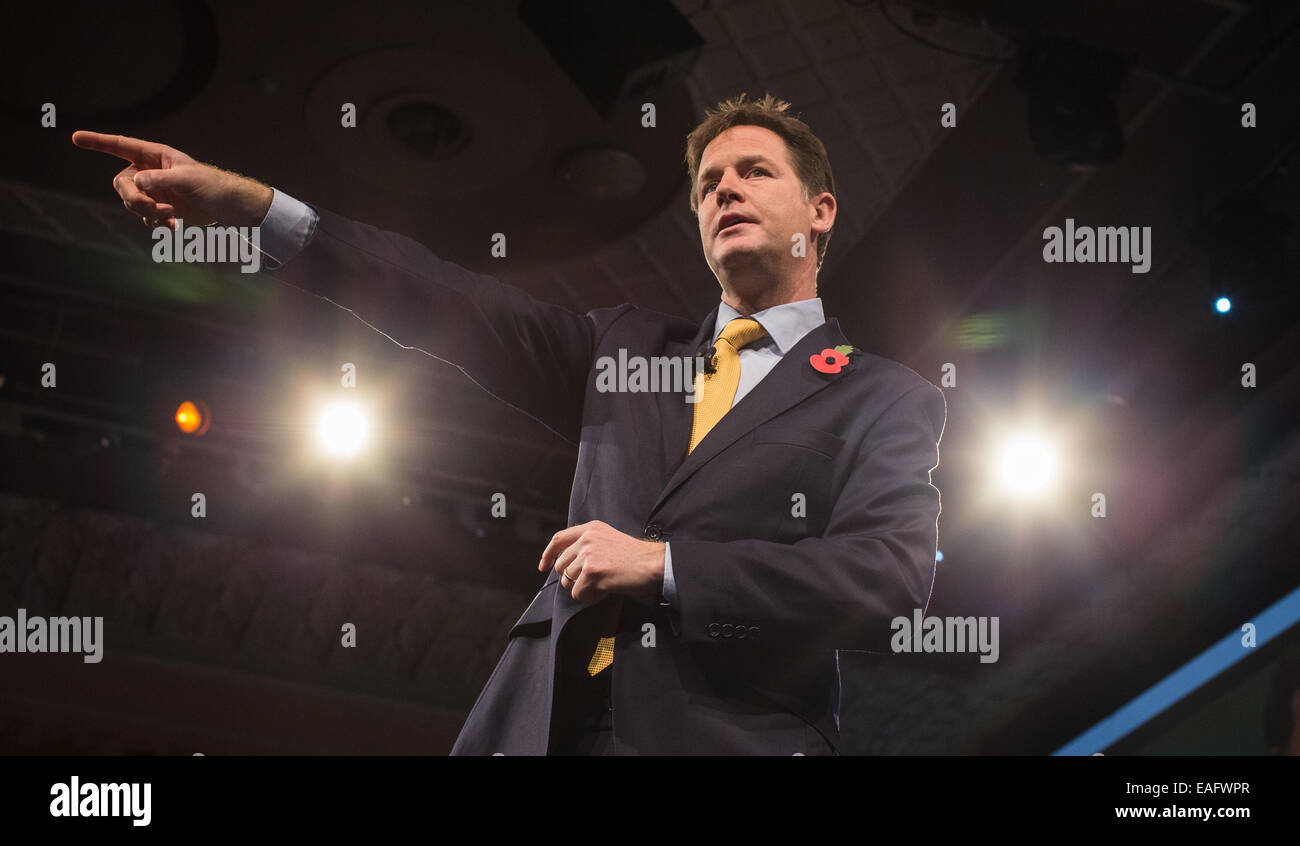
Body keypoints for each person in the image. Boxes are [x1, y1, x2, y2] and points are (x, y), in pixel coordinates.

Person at [73, 92, 947, 755]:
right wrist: (256, 209)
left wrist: (668, 567)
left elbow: (887, 578)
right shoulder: (623, 346)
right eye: (708, 184)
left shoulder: (880, 397)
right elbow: (450, 300)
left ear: (819, 212)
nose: (725, 192)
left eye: (754, 172)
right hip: (539, 729)